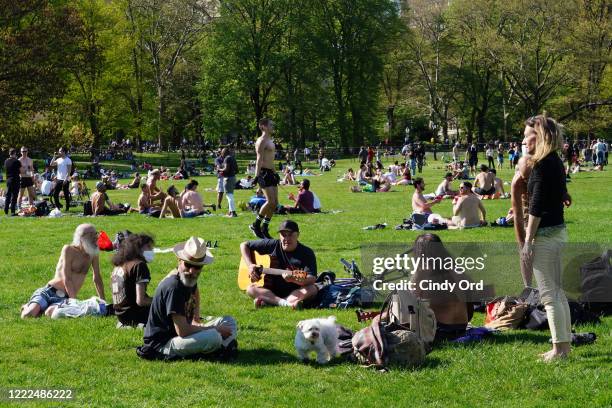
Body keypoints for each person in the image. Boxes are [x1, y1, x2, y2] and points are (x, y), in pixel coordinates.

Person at [521, 114, 572, 362]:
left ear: (538, 135)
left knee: (549, 297)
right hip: (559, 232)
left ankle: (559, 350)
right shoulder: (554, 161)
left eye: (526, 135)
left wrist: (528, 241)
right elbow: (555, 192)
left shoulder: (543, 164)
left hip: (546, 236)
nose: (523, 140)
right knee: (558, 294)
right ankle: (564, 346)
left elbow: (536, 206)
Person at [139, 237, 237, 359]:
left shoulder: (187, 278)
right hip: (163, 343)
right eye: (188, 265)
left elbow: (195, 291)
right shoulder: (174, 287)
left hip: (181, 333)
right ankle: (219, 348)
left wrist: (196, 318)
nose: (192, 270)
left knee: (229, 322)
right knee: (214, 336)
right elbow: (183, 331)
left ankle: (217, 348)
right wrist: (214, 329)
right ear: (179, 260)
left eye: (197, 267)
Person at [21, 224, 106, 318]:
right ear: (81, 237)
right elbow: (67, 278)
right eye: (92, 235)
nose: (96, 237)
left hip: (64, 298)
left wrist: (103, 301)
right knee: (28, 315)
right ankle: (26, 307)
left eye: (96, 234)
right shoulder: (69, 249)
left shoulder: (93, 252)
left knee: (49, 314)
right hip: (49, 291)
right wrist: (73, 302)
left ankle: (41, 309)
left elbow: (97, 277)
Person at [241, 220, 318, 309]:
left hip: (294, 291)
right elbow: (244, 245)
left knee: (312, 289)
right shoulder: (273, 244)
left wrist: (293, 279)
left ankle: (272, 302)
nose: (286, 239)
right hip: (269, 289)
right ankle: (287, 304)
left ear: (298, 235)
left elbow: (311, 278)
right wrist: (250, 265)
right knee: (250, 289)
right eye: (283, 235)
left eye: (290, 235)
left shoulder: (307, 252)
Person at [410, 234, 472, 343]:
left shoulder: (422, 270)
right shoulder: (456, 267)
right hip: (462, 326)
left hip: (440, 330)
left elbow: (409, 302)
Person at [111, 233, 155, 327]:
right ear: (138, 248)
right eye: (148, 247)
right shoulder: (139, 265)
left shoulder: (120, 264)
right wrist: (159, 300)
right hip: (135, 314)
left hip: (121, 315)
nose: (151, 250)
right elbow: (141, 301)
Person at [250, 118, 279, 239]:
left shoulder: (270, 140)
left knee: (275, 203)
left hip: (270, 172)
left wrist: (275, 173)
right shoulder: (261, 141)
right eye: (271, 125)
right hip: (263, 173)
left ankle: (265, 228)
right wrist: (256, 176)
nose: (273, 126)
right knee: (270, 201)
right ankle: (255, 225)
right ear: (264, 126)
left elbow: (270, 159)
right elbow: (259, 159)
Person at [50, 147, 72, 211]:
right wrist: (54, 156)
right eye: (59, 151)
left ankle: (67, 207)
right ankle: (58, 207)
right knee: (55, 194)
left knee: (66, 194)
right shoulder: (58, 159)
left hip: (65, 179)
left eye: (60, 151)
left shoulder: (68, 160)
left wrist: (66, 179)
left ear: (64, 152)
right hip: (59, 179)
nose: (59, 152)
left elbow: (69, 171)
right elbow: (51, 164)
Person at [218, 148, 239, 217]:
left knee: (229, 196)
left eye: (221, 152)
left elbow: (226, 169)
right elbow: (237, 170)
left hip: (228, 178)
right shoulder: (233, 158)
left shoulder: (227, 158)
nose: (221, 154)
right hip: (233, 178)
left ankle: (233, 212)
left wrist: (219, 169)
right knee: (230, 195)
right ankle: (230, 212)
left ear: (224, 152)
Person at [4, 148, 21, 216]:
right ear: (14, 154)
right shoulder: (16, 161)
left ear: (9, 153)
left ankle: (6, 209)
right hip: (15, 180)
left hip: (8, 180)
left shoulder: (6, 161)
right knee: (14, 196)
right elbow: (20, 171)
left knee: (8, 195)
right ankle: (13, 211)